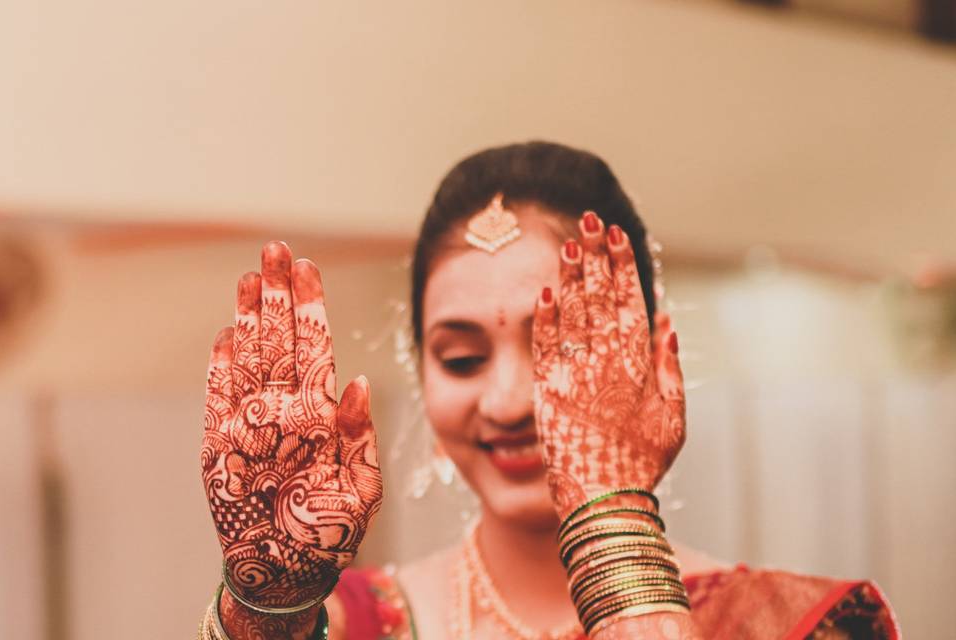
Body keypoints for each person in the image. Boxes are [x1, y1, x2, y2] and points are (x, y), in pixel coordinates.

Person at [197, 142, 899, 639]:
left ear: (653, 359)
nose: (506, 401)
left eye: (554, 351)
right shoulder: (347, 623)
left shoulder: (797, 624)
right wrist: (267, 609)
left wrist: (614, 532)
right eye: (463, 357)